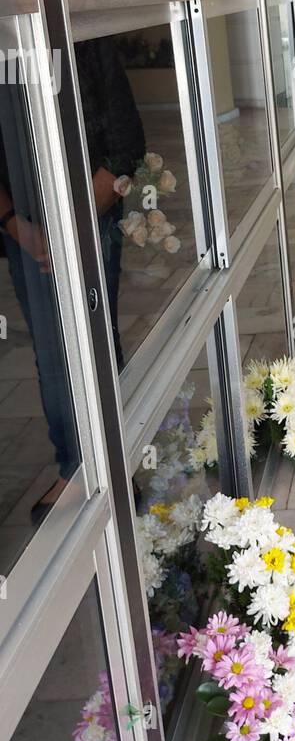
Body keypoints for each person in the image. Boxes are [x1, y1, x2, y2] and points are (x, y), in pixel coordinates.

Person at [0, 35, 144, 523]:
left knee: (95, 335)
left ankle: (116, 462)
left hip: (91, 213)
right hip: (22, 228)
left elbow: (126, 143)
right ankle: (74, 466)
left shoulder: (81, 35)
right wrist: (23, 231)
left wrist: (72, 228)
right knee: (49, 342)